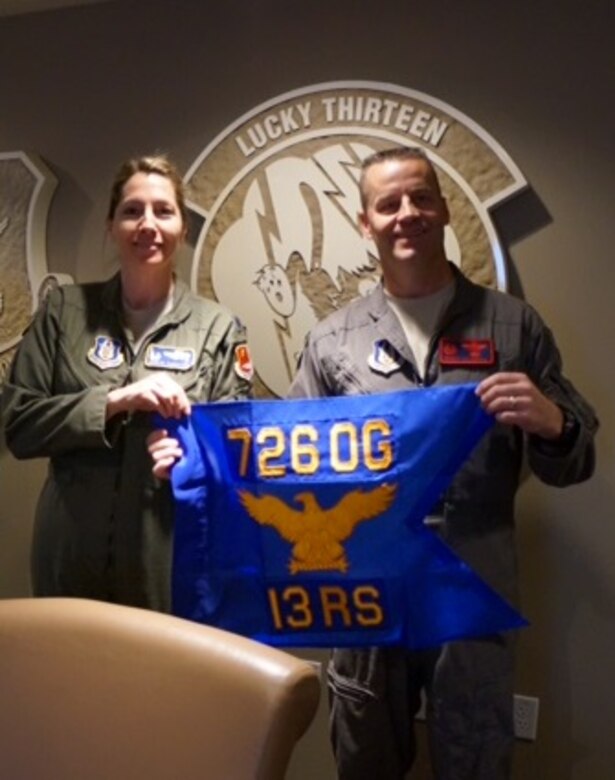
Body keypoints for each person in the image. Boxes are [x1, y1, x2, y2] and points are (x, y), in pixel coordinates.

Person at [287, 146, 598, 780]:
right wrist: (199, 461)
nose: (407, 213)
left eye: (421, 198)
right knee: (364, 760)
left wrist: (555, 424)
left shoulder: (512, 327)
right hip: (369, 595)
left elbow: (574, 463)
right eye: (388, 204)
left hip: (473, 589)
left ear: (445, 210)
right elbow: (287, 463)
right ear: (366, 223)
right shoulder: (332, 340)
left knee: (477, 758)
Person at [1, 154, 252, 612]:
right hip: (70, 556)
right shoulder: (64, 312)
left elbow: (238, 450)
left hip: (169, 556)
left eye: (163, 211)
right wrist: (114, 402)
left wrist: (189, 458)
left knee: (160, 660)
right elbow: (18, 423)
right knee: (68, 658)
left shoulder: (218, 328)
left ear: (183, 228)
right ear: (112, 225)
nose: (147, 224)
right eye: (132, 211)